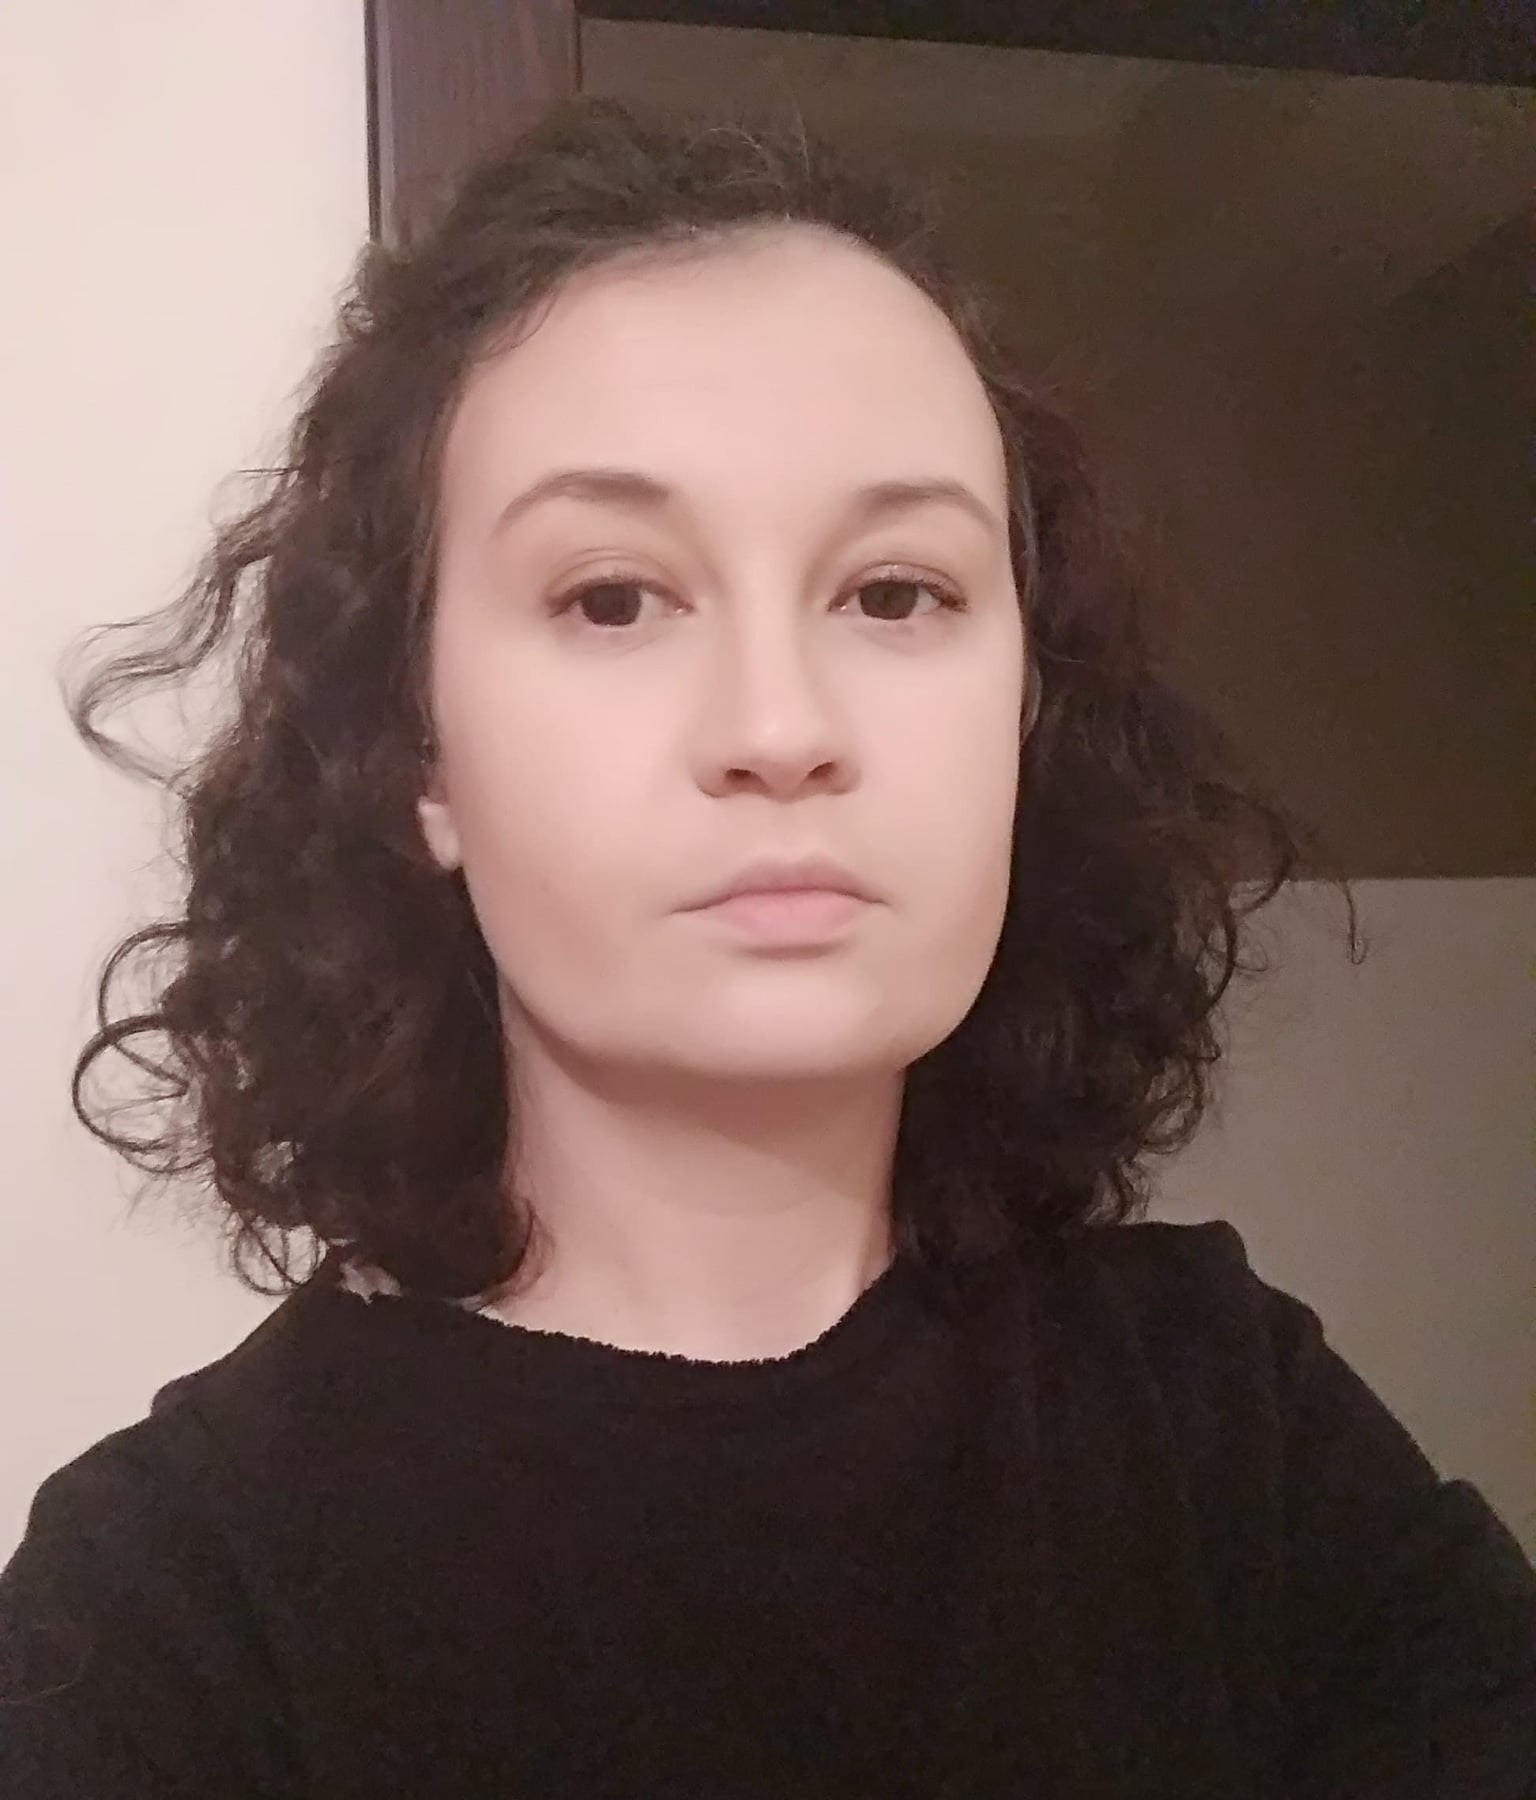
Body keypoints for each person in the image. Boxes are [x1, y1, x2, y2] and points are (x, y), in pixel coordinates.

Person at [2, 96, 1532, 1798]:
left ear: (1024, 709)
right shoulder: (169, 1609)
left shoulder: (1230, 1423)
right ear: (417, 753)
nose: (782, 727)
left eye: (895, 593)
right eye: (612, 597)